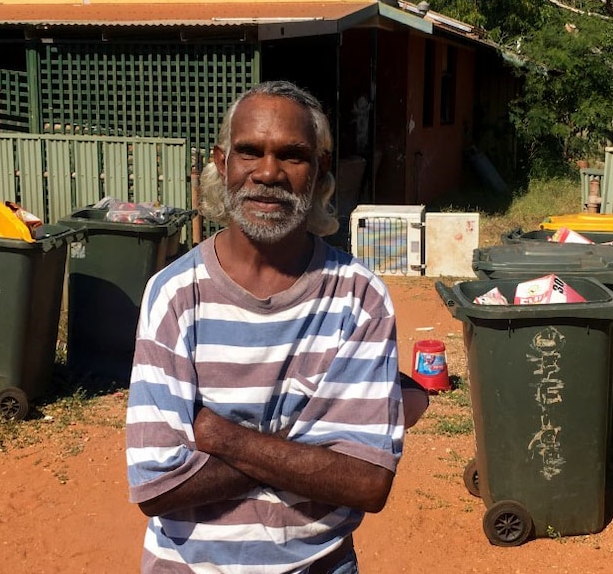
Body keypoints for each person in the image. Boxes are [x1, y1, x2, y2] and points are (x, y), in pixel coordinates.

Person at [126, 80, 405, 573]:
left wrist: (218, 434)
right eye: (250, 151)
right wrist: (307, 448)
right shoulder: (173, 295)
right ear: (221, 163)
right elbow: (157, 487)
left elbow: (365, 482)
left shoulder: (358, 296)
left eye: (292, 156)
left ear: (319, 173)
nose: (269, 172)